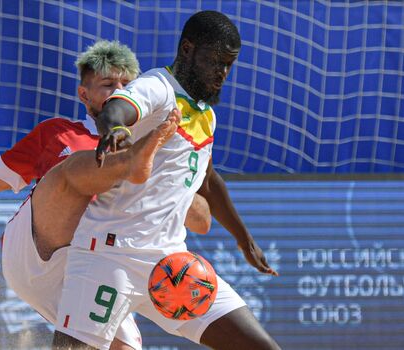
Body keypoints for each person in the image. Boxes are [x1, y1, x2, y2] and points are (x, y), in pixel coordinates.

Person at [0, 40, 210, 350]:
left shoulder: (163, 150)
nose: (119, 91)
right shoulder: (60, 134)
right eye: (108, 85)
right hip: (36, 250)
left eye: (126, 85)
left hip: (94, 265)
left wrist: (178, 188)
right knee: (75, 175)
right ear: (84, 95)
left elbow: (201, 221)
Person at [51, 11, 281, 350]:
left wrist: (243, 239)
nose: (222, 73)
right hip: (109, 256)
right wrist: (115, 127)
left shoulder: (206, 115)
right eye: (215, 61)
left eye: (229, 65)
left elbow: (208, 180)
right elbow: (118, 107)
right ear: (187, 50)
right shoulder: (158, 87)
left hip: (171, 262)